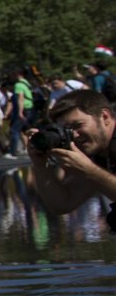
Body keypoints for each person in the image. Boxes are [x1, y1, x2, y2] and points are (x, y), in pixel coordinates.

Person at [27, 89, 116, 226]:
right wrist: (40, 165)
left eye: (78, 125)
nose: (74, 135)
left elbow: (93, 173)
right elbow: (62, 204)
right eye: (67, 131)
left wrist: (90, 171)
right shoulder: (98, 152)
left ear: (104, 117)